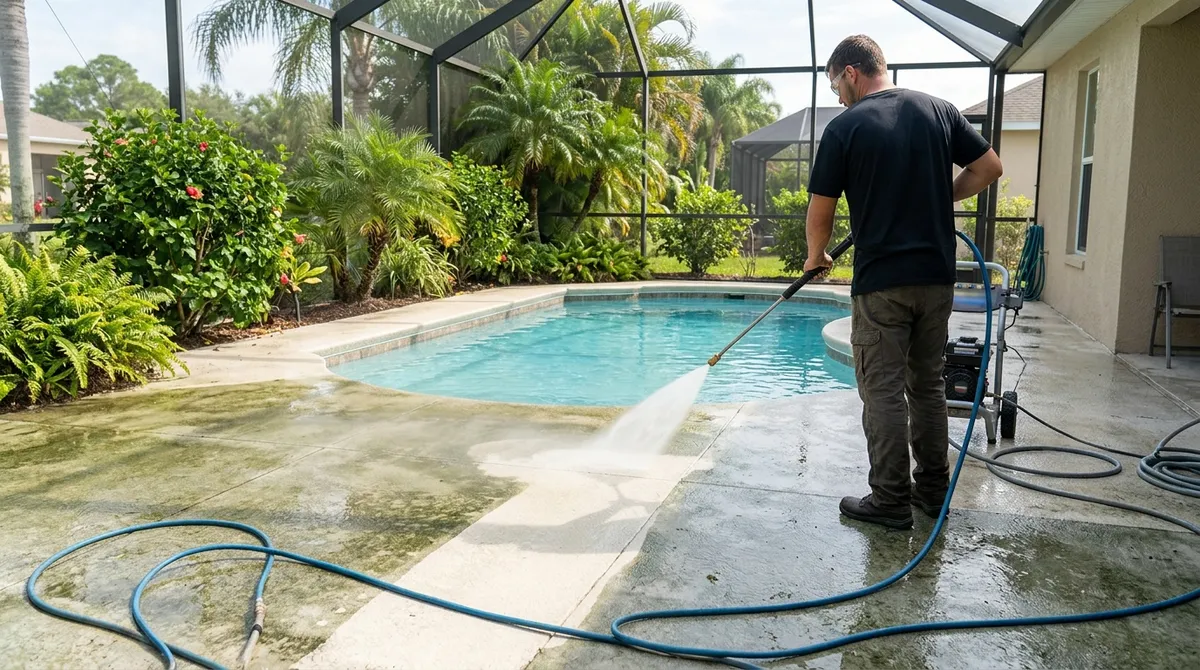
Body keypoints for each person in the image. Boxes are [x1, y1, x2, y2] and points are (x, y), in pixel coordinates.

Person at [804, 35, 1004, 530]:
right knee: (928, 387)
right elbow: (990, 167)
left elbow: (821, 210)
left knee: (884, 391)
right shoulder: (940, 111)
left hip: (883, 284)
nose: (838, 97)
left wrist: (816, 257)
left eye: (835, 85)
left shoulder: (846, 128)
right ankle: (933, 495)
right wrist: (942, 197)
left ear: (851, 72)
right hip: (937, 278)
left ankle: (891, 500)